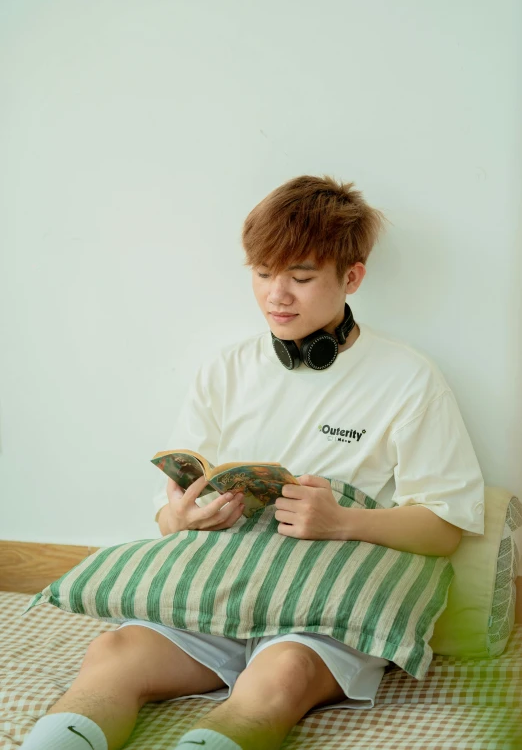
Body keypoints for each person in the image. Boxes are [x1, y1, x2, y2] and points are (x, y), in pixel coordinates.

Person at [21, 175, 485, 750]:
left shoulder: (409, 379)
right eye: (263, 274)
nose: (276, 296)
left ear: (353, 277)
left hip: (320, 609)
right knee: (112, 654)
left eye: (301, 276)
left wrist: (342, 521)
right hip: (215, 590)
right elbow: (169, 516)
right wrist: (182, 520)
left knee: (279, 675)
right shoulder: (226, 369)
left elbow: (445, 525)